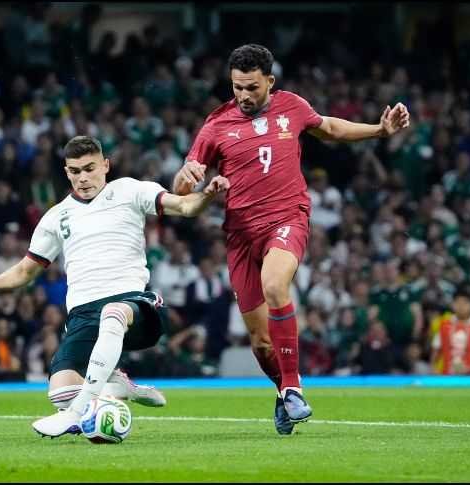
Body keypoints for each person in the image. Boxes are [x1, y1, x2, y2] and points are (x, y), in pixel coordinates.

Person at [173, 44, 410, 434]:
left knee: (275, 284)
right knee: (261, 344)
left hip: (287, 219)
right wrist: (187, 180)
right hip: (240, 237)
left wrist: (379, 129)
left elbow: (330, 128)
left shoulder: (293, 107)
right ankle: (284, 389)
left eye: (251, 87)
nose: (244, 96)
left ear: (270, 81)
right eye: (237, 87)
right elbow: (183, 184)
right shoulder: (215, 125)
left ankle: (295, 388)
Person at [0, 136, 230, 438]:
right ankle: (113, 384)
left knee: (112, 313)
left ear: (105, 165)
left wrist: (208, 195)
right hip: (82, 316)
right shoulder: (56, 217)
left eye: (89, 168)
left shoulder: (130, 190)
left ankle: (76, 412)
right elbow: (26, 269)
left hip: (134, 305)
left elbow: (184, 206)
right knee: (59, 392)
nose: (82, 177)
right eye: (74, 171)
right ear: (66, 172)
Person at [429, 284, 470, 375]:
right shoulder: (445, 325)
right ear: (453, 304)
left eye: (465, 303)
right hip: (446, 377)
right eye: (457, 302)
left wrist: (468, 369)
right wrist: (433, 368)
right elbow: (435, 349)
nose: (461, 306)